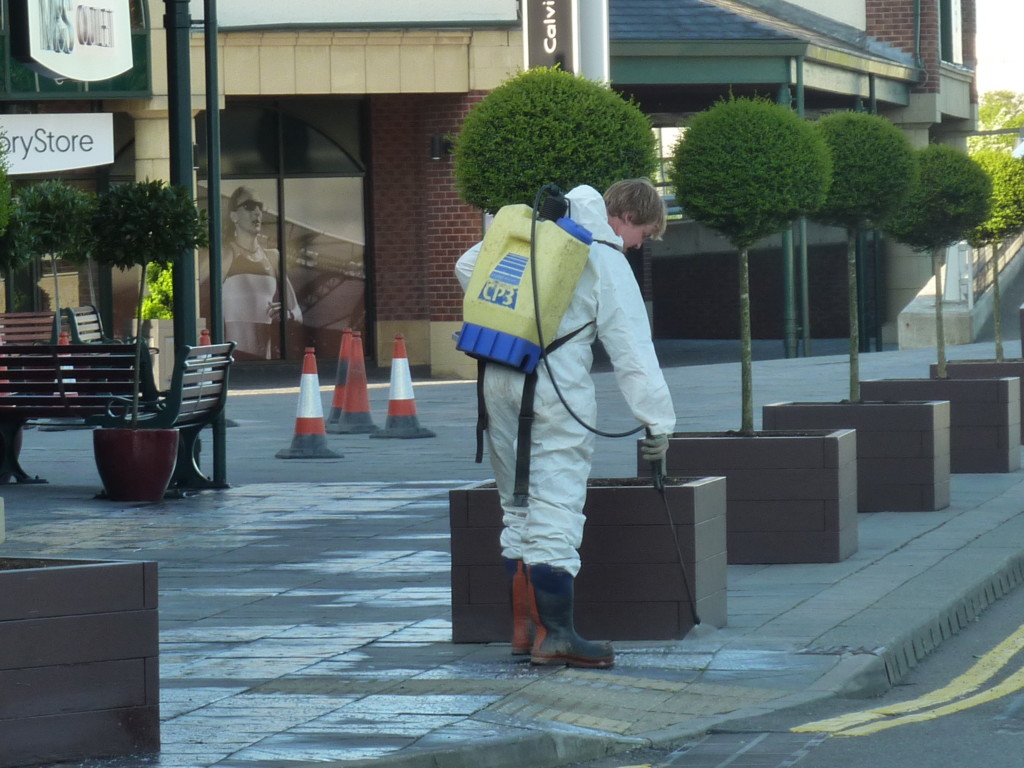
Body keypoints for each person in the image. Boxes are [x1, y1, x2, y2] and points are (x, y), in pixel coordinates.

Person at [455, 179, 676, 669]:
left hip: (502, 371)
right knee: (556, 504)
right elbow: (634, 353)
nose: (638, 246)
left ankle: (524, 630)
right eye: (644, 235)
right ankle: (556, 636)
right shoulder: (605, 258)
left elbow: (467, 266)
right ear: (627, 219)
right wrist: (657, 423)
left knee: (516, 504)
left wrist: (516, 317)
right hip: (557, 386)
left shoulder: (537, 227)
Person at [222, 186, 302, 360]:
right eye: (249, 206)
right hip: (236, 357)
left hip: (266, 359)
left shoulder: (273, 256)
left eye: (260, 206)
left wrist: (288, 314)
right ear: (234, 216)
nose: (257, 212)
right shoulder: (227, 254)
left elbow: (297, 312)